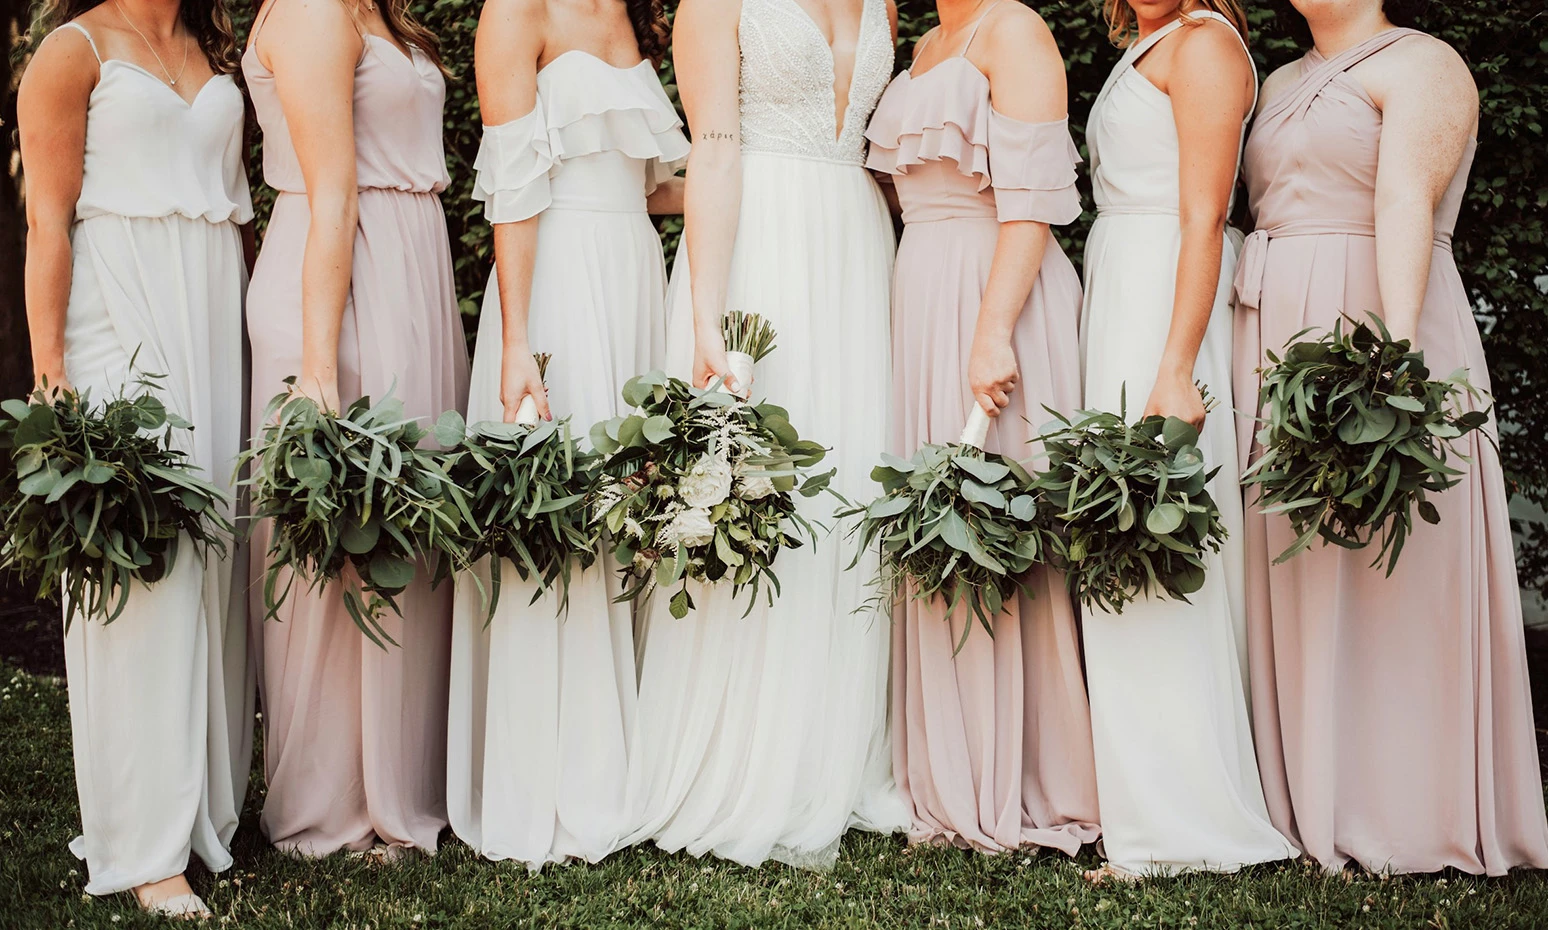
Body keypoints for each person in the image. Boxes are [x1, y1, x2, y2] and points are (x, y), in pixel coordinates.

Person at [1235, 0, 1548, 875]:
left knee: (1392, 562)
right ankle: (1302, 793)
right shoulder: (1279, 80)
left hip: (1374, 315)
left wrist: (1393, 362)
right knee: (1298, 556)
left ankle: (1406, 806)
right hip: (1275, 335)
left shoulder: (1423, 63)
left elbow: (1407, 198)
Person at [624, 0, 910, 869]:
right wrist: (705, 313)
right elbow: (713, 150)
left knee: (849, 477)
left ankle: (832, 751)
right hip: (761, 241)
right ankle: (736, 758)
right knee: (757, 481)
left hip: (855, 248)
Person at [17, 0, 253, 913]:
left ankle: (201, 811)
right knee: (144, 564)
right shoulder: (70, 50)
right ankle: (144, 845)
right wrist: (52, 381)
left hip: (211, 307)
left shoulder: (209, 42)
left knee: (212, 554)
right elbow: (47, 223)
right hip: (118, 316)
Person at [446, 0, 687, 869]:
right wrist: (518, 340)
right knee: (566, 518)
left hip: (633, 278)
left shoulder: (629, 17)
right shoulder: (517, 12)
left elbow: (652, 187)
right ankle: (551, 780)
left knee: (629, 510)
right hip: (557, 283)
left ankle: (626, 763)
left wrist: (774, 178)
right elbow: (513, 185)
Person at [864, 0, 1100, 855]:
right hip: (922, 288)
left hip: (994, 289)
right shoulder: (924, 43)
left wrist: (993, 330)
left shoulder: (1015, 31)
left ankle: (1029, 773)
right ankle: (950, 766)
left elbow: (1030, 201)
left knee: (1003, 521)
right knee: (940, 525)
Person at [243, 0, 470, 857]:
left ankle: (400, 781)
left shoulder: (379, 13)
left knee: (405, 530)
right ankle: (329, 801)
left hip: (407, 270)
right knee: (341, 539)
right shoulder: (311, 12)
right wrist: (316, 367)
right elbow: (331, 192)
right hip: (340, 284)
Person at [1078, 0, 1298, 879]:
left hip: (1165, 307)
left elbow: (1205, 217)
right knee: (1118, 535)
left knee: (1156, 536)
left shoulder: (1204, 45)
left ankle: (1183, 818)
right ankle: (1142, 803)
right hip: (1123, 286)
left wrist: (1174, 367)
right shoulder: (1151, 41)